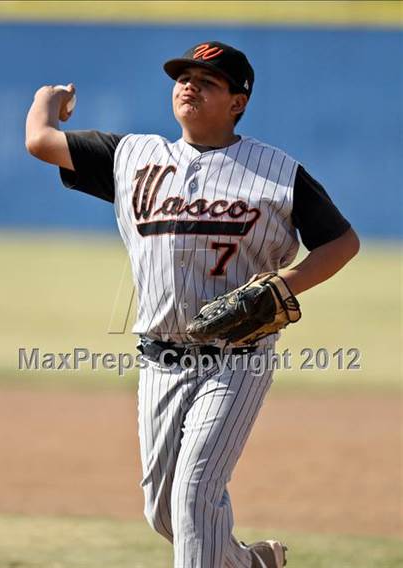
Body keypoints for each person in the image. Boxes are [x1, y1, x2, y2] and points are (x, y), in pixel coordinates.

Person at [26, 41, 359, 568]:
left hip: (236, 357)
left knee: (194, 498)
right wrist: (48, 99)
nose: (189, 85)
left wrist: (285, 285)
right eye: (183, 77)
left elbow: (342, 243)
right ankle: (252, 564)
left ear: (238, 101)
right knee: (165, 511)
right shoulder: (133, 156)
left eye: (208, 81)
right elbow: (41, 141)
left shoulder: (276, 172)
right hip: (159, 359)